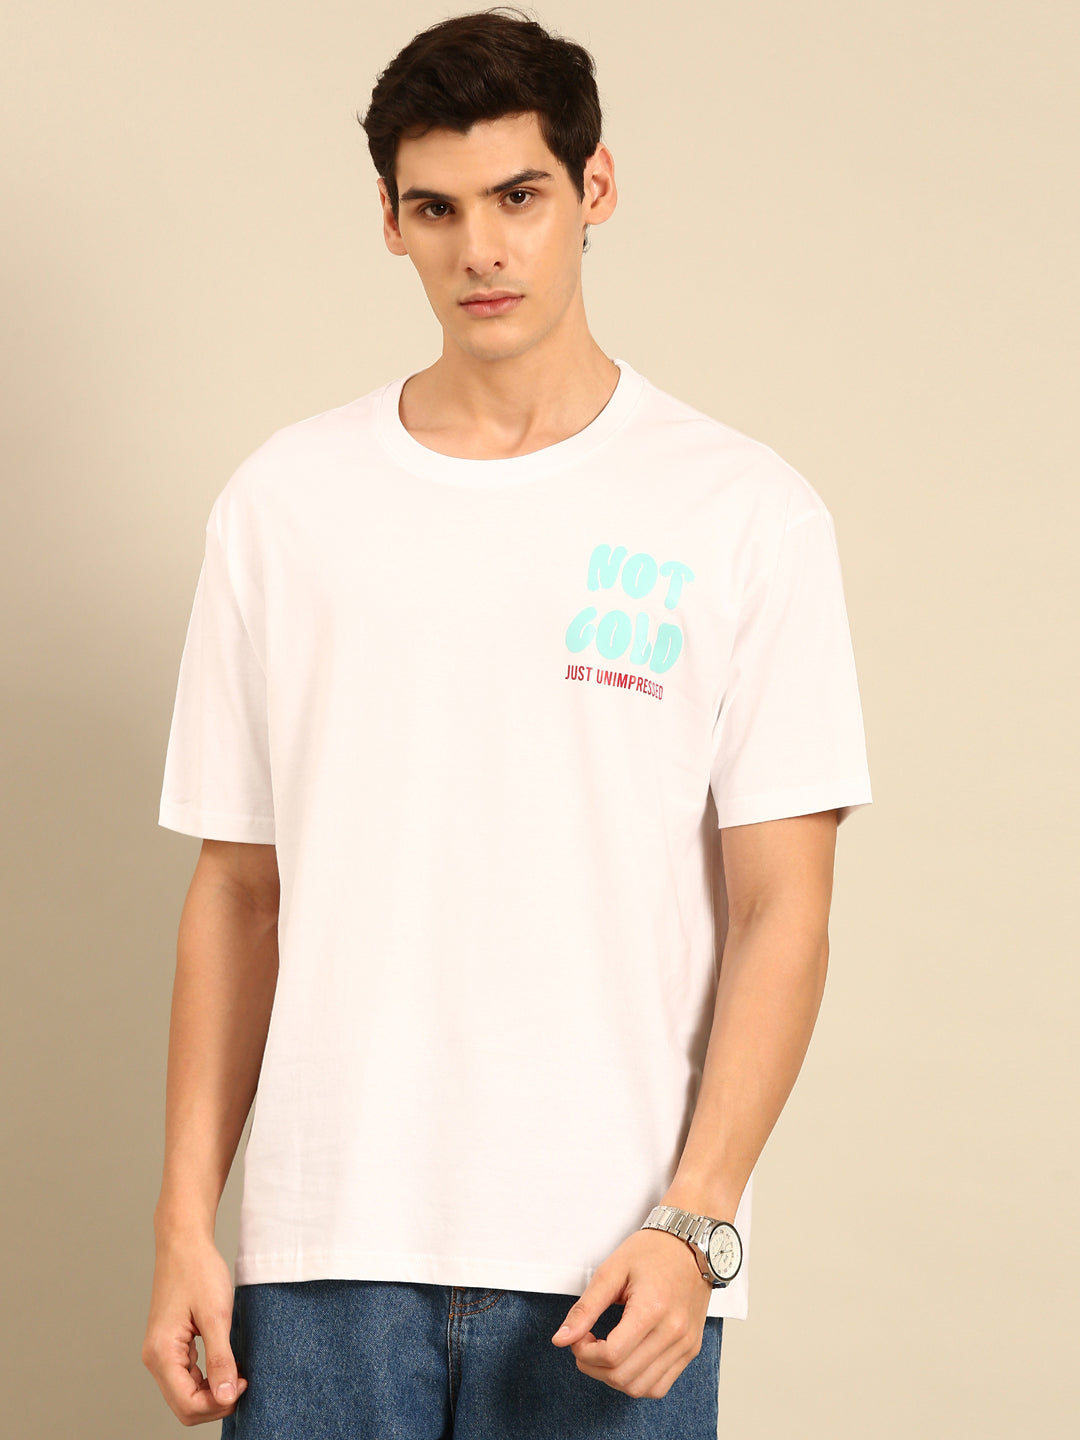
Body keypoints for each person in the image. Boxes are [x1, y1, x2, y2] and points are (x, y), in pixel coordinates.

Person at [141, 7, 872, 1437]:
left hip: (618, 1257)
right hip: (325, 1254)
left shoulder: (744, 514)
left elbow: (784, 906)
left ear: (596, 189)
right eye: (437, 208)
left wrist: (701, 1219)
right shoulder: (286, 505)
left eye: (519, 196)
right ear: (390, 222)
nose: (480, 248)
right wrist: (183, 1224)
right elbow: (236, 892)